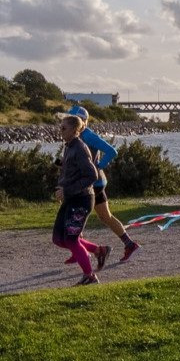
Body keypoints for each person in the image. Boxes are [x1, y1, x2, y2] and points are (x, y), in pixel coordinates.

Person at [60, 105, 139, 264]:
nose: (68, 123)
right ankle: (130, 245)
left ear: (82, 122)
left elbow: (112, 151)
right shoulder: (75, 137)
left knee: (75, 216)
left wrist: (98, 166)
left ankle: (84, 251)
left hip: (92, 184)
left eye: (72, 120)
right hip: (93, 183)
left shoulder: (88, 136)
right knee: (105, 217)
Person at [53, 112, 110, 285]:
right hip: (71, 197)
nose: (60, 130)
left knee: (71, 239)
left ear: (75, 130)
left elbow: (91, 175)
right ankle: (99, 250)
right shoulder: (69, 146)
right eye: (60, 127)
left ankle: (90, 276)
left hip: (82, 199)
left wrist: (67, 189)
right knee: (58, 238)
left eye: (64, 128)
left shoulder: (79, 147)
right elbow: (73, 170)